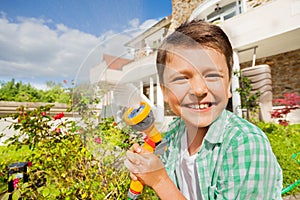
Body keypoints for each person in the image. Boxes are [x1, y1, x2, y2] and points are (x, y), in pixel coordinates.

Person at [124, 20, 283, 199]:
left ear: (228, 85)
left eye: (212, 75)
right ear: (165, 92)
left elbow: (164, 182)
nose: (199, 90)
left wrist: (160, 181)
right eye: (181, 79)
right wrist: (148, 164)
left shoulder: (245, 144)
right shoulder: (175, 133)